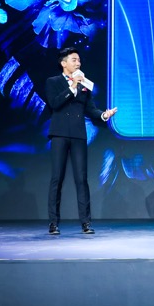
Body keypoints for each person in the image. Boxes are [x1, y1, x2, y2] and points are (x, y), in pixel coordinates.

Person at [45, 47, 117, 235]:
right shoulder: (53, 82)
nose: (78, 63)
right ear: (64, 63)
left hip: (78, 135)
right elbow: (54, 103)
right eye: (74, 60)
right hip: (59, 134)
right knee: (57, 178)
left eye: (79, 60)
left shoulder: (85, 85)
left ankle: (86, 222)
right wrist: (72, 87)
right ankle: (53, 223)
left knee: (81, 179)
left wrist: (103, 115)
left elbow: (90, 109)